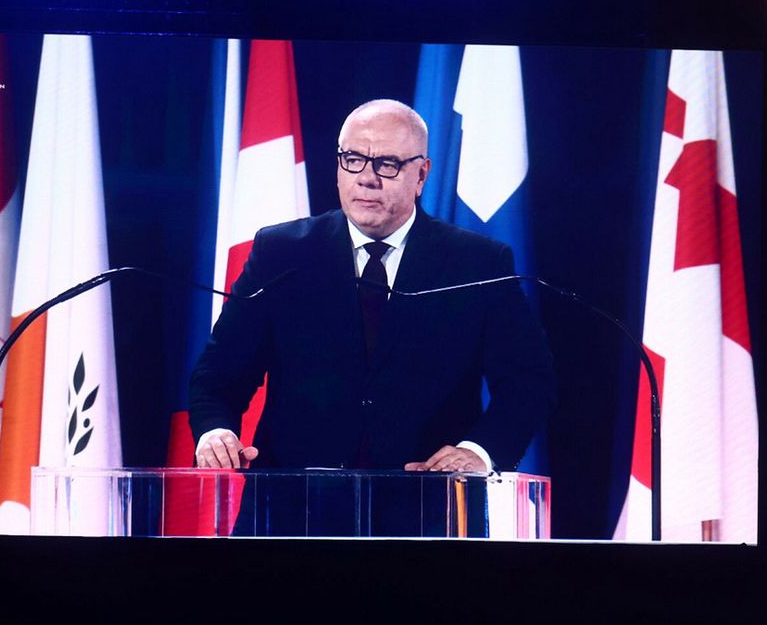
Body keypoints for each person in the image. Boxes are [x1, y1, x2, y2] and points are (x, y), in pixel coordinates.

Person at [189, 99, 554, 475]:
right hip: (295, 508)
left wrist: (480, 451)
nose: (367, 177)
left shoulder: (479, 263)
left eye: (387, 164)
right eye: (353, 159)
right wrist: (216, 432)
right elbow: (216, 376)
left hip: (430, 508)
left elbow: (528, 383)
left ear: (422, 175)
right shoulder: (281, 254)